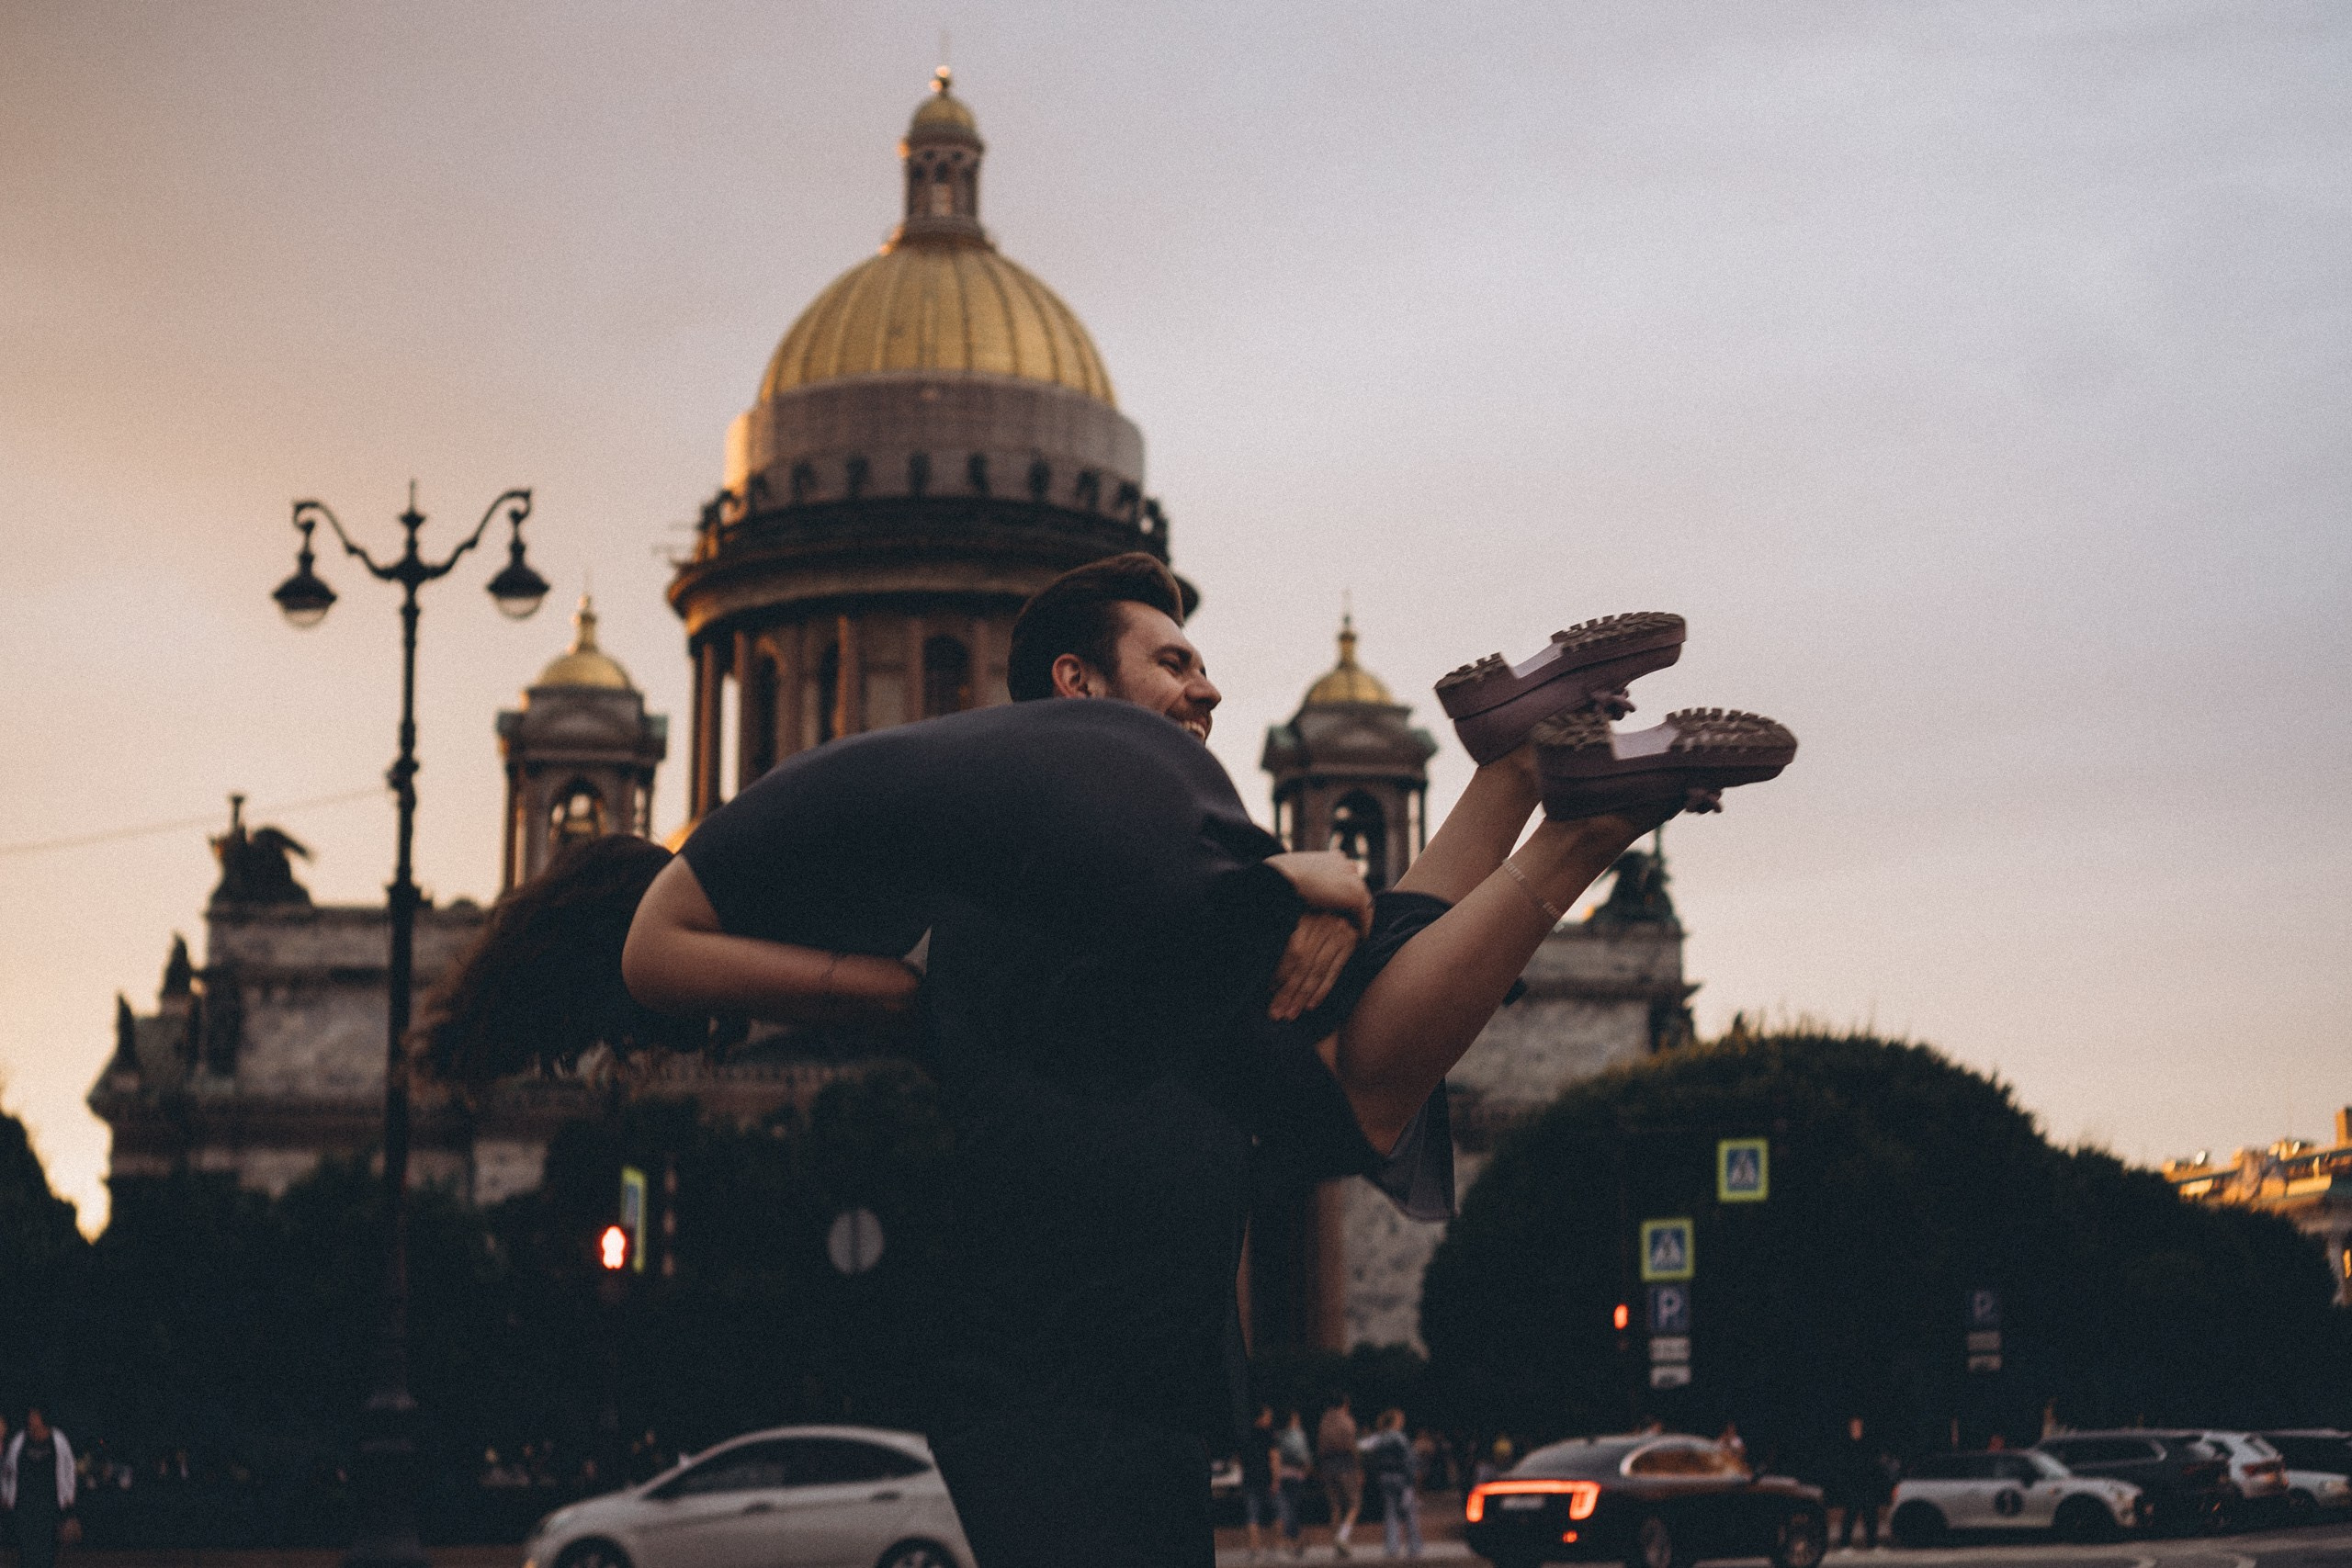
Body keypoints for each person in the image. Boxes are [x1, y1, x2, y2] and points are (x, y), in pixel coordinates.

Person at [435, 555, 1793, 1567]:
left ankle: (1546, 805)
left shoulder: (971, 850)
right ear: (1079, 680)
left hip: (1069, 1369)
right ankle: (1532, 792)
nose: (1206, 683)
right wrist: (1301, 883)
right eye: (1174, 658)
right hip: (1087, 1359)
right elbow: (663, 952)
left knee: (1355, 1072)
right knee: (1349, 1088)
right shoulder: (1054, 817)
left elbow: (665, 957)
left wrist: (900, 1001)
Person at [3, 1405, 78, 1568]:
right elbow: (8, 1469)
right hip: (25, 1503)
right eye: (30, 1416)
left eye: (35, 1416)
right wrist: (6, 1494)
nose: (31, 1419)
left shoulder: (56, 1438)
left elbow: (69, 1467)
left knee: (47, 1546)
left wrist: (69, 1496)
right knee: (26, 1546)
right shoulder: (20, 1439)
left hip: (49, 1502)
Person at [1360, 1408, 1421, 1559]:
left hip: (1385, 1479)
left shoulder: (1379, 1438)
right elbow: (1408, 1461)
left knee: (1390, 1513)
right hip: (1401, 1479)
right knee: (1409, 1514)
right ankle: (1414, 1547)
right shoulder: (1400, 1439)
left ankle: (1392, 1547)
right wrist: (1411, 1480)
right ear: (1396, 1422)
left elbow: (1363, 1447)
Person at [1829, 1416, 1893, 1550]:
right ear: (1850, 1428)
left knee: (1870, 1513)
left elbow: (1873, 1462)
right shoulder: (1846, 1444)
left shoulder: (1867, 1444)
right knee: (1851, 1514)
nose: (1857, 1429)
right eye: (1855, 1426)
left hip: (1867, 1484)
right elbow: (1842, 1466)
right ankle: (1845, 1544)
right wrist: (1845, 1483)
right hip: (1852, 1485)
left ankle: (1872, 1544)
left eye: (1859, 1426)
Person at [1316, 1400, 1363, 1556]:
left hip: (1328, 1467)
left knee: (1335, 1506)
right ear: (1345, 1405)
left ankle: (1337, 1547)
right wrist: (1358, 1468)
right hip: (1346, 1465)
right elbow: (1352, 1446)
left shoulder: (1324, 1421)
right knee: (1354, 1504)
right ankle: (1342, 1537)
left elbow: (1320, 1447)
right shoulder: (1346, 1421)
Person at [1238, 1405, 1281, 1561]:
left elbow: (1240, 1459)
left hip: (1250, 1480)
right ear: (1261, 1417)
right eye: (1268, 1416)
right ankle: (1273, 1548)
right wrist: (1276, 1479)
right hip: (1267, 1479)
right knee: (1276, 1514)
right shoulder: (1269, 1435)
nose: (1270, 1420)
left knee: (1252, 1516)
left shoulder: (1246, 1436)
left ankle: (1254, 1549)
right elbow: (1274, 1458)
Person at [1274, 1411, 1313, 1558]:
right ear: (1293, 1419)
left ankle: (1290, 1542)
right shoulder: (1297, 1435)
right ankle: (1296, 1542)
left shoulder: (1278, 1435)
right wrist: (1308, 1466)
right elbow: (1302, 1455)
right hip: (1296, 1475)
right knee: (1295, 1509)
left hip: (1282, 1475)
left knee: (1286, 1508)